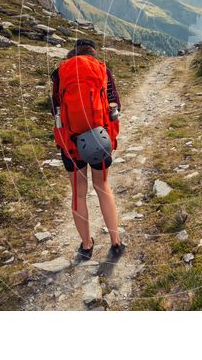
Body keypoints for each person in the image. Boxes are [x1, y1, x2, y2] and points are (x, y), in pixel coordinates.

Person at [51, 38, 125, 261]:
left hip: (71, 143)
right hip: (99, 138)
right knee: (102, 186)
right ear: (92, 53)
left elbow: (55, 108)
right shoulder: (102, 70)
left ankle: (86, 245)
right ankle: (116, 242)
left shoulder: (59, 74)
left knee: (78, 192)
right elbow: (116, 105)